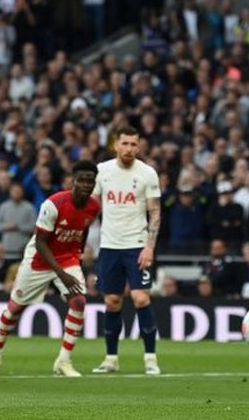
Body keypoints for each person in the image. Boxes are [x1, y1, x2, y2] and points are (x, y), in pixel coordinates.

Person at [0, 160, 100, 377]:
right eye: (81, 180)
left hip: (68, 259)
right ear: (73, 181)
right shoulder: (53, 204)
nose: (86, 184)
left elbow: (83, 231)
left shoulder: (94, 206)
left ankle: (64, 360)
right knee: (15, 308)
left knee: (79, 301)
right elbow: (41, 242)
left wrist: (77, 258)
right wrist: (62, 274)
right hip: (38, 260)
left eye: (90, 181)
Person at [92, 125, 162, 375]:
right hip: (110, 245)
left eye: (134, 144)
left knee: (141, 297)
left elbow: (154, 212)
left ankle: (150, 358)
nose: (129, 149)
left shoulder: (148, 173)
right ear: (116, 145)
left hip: (137, 246)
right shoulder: (102, 171)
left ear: (139, 147)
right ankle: (111, 358)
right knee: (112, 302)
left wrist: (150, 247)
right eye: (125, 143)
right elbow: (92, 207)